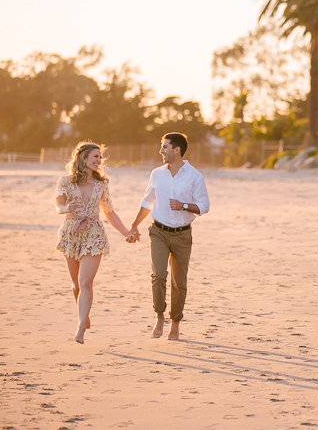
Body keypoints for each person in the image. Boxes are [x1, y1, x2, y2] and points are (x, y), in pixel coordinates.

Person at [127, 132, 210, 340]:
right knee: (158, 276)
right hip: (159, 232)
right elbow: (147, 202)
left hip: (182, 235)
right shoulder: (157, 174)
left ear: (177, 150)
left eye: (164, 147)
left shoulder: (195, 176)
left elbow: (204, 206)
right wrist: (134, 225)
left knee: (179, 282)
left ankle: (175, 322)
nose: (161, 150)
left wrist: (183, 206)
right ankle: (159, 315)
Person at [54, 141, 131, 344]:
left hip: (94, 234)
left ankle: (80, 330)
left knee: (85, 282)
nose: (99, 160)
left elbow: (109, 212)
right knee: (76, 284)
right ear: (83, 158)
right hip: (71, 233)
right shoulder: (65, 181)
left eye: (100, 157)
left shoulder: (102, 184)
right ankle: (83, 312)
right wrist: (65, 208)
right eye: (95, 156)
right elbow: (59, 205)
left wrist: (126, 232)